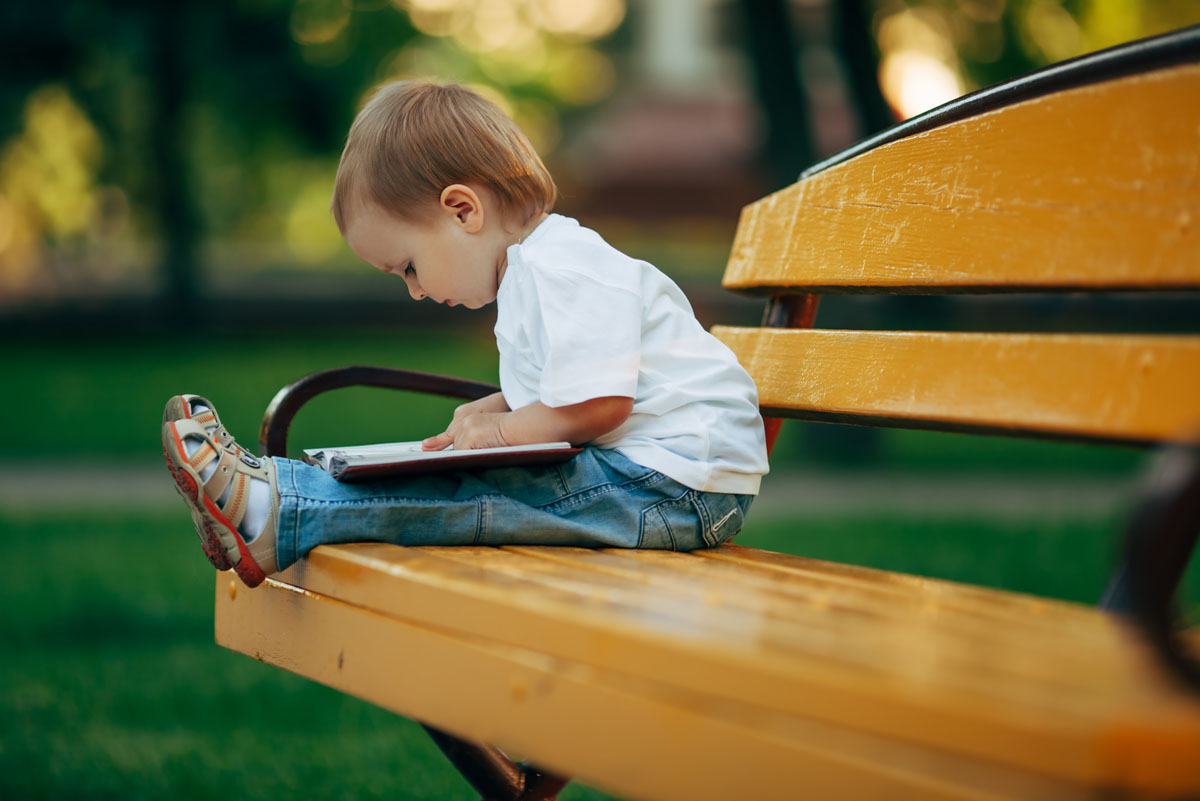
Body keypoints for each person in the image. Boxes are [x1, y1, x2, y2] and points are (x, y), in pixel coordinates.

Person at [161, 80, 768, 588]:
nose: (416, 291)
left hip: (676, 490)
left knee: (481, 495)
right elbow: (576, 392)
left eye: (409, 266)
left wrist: (502, 433)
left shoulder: (565, 269)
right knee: (474, 483)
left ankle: (275, 506)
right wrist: (499, 408)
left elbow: (600, 404)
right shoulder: (535, 274)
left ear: (462, 211)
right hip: (654, 480)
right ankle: (274, 501)